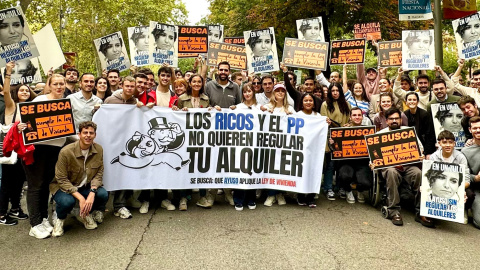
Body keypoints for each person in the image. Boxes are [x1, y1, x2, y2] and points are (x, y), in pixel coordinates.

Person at [22, 73, 68, 239]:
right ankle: (34, 224)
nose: (59, 87)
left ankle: (42, 218)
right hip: (37, 149)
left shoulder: (64, 103)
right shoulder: (39, 101)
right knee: (35, 185)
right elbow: (27, 123)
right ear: (49, 85)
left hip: (55, 150)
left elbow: (70, 128)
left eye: (61, 84)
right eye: (55, 83)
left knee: (45, 184)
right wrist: (23, 126)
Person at [371, 107, 431, 227]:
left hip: (408, 166)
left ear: (400, 120)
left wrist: (420, 155)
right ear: (387, 121)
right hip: (390, 167)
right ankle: (394, 211)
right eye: (391, 119)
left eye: (397, 118)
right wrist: (373, 163)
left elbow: (420, 149)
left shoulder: (409, 132)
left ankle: (421, 211)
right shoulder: (379, 135)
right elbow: (374, 156)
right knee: (392, 173)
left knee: (418, 173)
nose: (394, 121)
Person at [50, 121, 107, 237]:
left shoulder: (99, 149)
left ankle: (85, 214)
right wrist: (80, 198)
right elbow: (61, 179)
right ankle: (59, 218)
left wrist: (92, 191)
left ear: (95, 135)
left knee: (102, 194)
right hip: (64, 187)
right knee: (67, 202)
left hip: (84, 186)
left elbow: (99, 172)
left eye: (91, 133)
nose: (88, 135)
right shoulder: (66, 152)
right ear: (79, 134)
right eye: (85, 132)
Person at [0, 62, 34, 226]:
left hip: (24, 152)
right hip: (10, 152)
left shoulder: (32, 108)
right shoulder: (11, 106)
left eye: (27, 90)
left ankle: (15, 209)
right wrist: (8, 72)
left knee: (19, 183)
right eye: (22, 90)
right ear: (16, 92)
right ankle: (1, 214)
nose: (25, 92)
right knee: (7, 183)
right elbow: (5, 91)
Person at [174, 74, 210, 209]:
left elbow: (209, 117)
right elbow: (176, 117)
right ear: (190, 83)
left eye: (199, 82)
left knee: (201, 167)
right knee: (185, 167)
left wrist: (213, 110)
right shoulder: (181, 99)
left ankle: (202, 196)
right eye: (194, 81)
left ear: (202, 84)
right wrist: (177, 111)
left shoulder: (206, 99)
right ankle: (183, 198)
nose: (196, 84)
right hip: (185, 140)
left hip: (201, 139)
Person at [104, 76, 138, 219]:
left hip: (127, 143)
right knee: (108, 172)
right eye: (127, 86)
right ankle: (101, 207)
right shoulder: (110, 100)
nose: (129, 88)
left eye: (132, 86)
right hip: (111, 142)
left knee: (126, 172)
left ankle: (119, 205)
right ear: (121, 86)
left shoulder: (134, 101)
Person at [263, 84, 294, 207]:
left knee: (281, 169)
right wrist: (264, 111)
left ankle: (280, 193)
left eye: (282, 91)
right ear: (274, 93)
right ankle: (271, 194)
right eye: (277, 91)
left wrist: (291, 116)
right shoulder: (267, 107)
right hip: (270, 145)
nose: (280, 93)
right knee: (271, 169)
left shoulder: (290, 108)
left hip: (284, 144)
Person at [334, 107, 373, 204]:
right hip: (347, 162)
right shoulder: (343, 130)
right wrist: (333, 142)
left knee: (367, 183)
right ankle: (348, 190)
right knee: (344, 176)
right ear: (350, 117)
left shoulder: (369, 131)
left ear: (362, 117)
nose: (357, 117)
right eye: (354, 115)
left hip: (362, 162)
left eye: (359, 115)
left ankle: (359, 190)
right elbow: (337, 148)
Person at [321, 82, 351, 200]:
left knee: (340, 164)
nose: (335, 93)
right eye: (332, 91)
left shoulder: (347, 104)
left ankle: (339, 187)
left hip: (343, 138)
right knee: (330, 164)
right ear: (329, 92)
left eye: (337, 91)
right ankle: (328, 188)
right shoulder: (325, 104)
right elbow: (324, 120)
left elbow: (350, 119)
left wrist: (348, 125)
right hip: (330, 138)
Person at [296, 93, 321, 207]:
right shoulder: (297, 115)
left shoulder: (318, 117)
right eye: (305, 100)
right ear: (301, 103)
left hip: (314, 150)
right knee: (301, 172)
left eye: (310, 100)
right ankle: (300, 196)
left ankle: (311, 197)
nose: (308, 102)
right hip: (300, 149)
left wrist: (326, 123)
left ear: (314, 103)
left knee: (313, 171)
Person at [461, 116, 480, 229]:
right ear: (470, 130)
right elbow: (465, 175)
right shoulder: (465, 151)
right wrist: (476, 178)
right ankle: (469, 208)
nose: (478, 130)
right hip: (477, 188)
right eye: (475, 128)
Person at [404, 91, 436, 156]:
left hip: (424, 146)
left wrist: (427, 153)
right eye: (409, 100)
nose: (412, 101)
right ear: (406, 102)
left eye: (414, 100)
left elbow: (430, 135)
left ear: (417, 102)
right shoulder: (404, 114)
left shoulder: (425, 114)